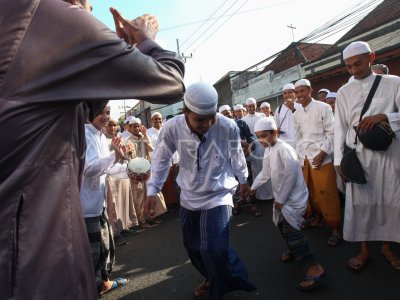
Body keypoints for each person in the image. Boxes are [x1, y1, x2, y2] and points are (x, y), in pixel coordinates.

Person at [0, 0, 185, 298]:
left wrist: (116, 57)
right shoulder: (53, 16)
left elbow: (82, 105)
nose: (91, 8)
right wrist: (146, 39)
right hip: (32, 254)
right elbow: (169, 81)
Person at [145, 82, 257, 300]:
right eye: (200, 119)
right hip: (188, 196)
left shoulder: (227, 126)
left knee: (214, 248)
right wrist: (152, 190)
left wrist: (243, 180)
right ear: (186, 112)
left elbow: (236, 155)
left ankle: (221, 285)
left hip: (218, 194)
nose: (207, 124)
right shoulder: (171, 128)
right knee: (193, 247)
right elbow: (161, 159)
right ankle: (213, 276)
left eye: (211, 117)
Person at [334, 41, 400, 272]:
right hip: (358, 157)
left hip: (388, 156)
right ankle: (363, 250)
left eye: (358, 64)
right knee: (361, 203)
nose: (353, 70)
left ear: (371, 57)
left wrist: (384, 116)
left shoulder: (393, 83)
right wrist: (337, 163)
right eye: (348, 66)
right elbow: (340, 128)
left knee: (390, 200)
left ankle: (386, 246)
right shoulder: (343, 92)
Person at [250, 118, 326, 291]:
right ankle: (294, 250)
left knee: (292, 232)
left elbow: (290, 176)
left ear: (274, 133)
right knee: (282, 226)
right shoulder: (269, 150)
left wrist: (281, 200)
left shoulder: (285, 149)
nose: (261, 140)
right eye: (258, 137)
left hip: (293, 199)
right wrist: (252, 189)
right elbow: (265, 172)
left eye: (264, 136)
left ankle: (315, 268)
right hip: (282, 199)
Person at [80, 105, 129, 297]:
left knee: (105, 246)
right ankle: (92, 287)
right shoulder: (85, 134)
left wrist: (130, 170)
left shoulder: (100, 135)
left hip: (98, 203)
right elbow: (90, 169)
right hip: (86, 206)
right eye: (101, 111)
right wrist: (114, 155)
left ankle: (104, 282)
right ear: (89, 112)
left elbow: (106, 169)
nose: (105, 116)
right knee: (93, 252)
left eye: (108, 112)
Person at [293, 79, 342, 246]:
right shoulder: (296, 113)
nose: (300, 95)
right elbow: (297, 137)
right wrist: (300, 157)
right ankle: (317, 218)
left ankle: (336, 228)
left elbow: (332, 132)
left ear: (310, 90)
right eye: (297, 92)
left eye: (302, 91)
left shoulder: (324, 107)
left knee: (327, 193)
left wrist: (323, 152)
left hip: (322, 158)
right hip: (305, 158)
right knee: (310, 192)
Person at [218, 105, 260, 217]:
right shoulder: (217, 128)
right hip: (227, 162)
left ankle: (253, 205)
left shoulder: (241, 123)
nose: (227, 115)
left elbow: (251, 138)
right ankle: (237, 205)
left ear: (232, 112)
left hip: (244, 158)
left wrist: (248, 148)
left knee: (248, 181)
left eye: (228, 113)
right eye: (224, 114)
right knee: (233, 184)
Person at [242, 98, 274, 203]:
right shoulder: (243, 119)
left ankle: (271, 193)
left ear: (256, 105)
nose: (251, 108)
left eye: (253, 105)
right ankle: (259, 194)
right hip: (253, 147)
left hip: (264, 145)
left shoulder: (262, 116)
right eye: (249, 106)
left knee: (268, 168)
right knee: (256, 170)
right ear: (246, 107)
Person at [274, 83, 302, 148]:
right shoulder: (279, 109)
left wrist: (292, 108)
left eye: (290, 92)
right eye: (285, 93)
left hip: (298, 143)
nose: (287, 95)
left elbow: (303, 122)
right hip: (283, 143)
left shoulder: (300, 106)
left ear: (295, 94)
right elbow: (275, 125)